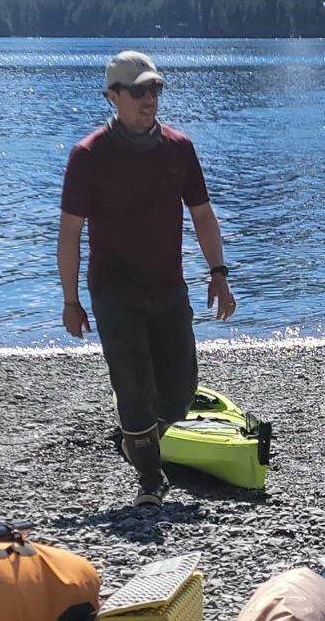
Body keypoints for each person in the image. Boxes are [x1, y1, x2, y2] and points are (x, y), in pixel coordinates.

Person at [58, 50, 236, 506]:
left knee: (179, 393)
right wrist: (70, 299)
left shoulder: (179, 148)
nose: (149, 98)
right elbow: (71, 233)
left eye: (154, 88)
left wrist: (218, 273)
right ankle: (151, 480)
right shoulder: (88, 155)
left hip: (168, 287)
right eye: (138, 91)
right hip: (114, 290)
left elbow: (202, 215)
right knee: (134, 387)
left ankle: (135, 441)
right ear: (112, 96)